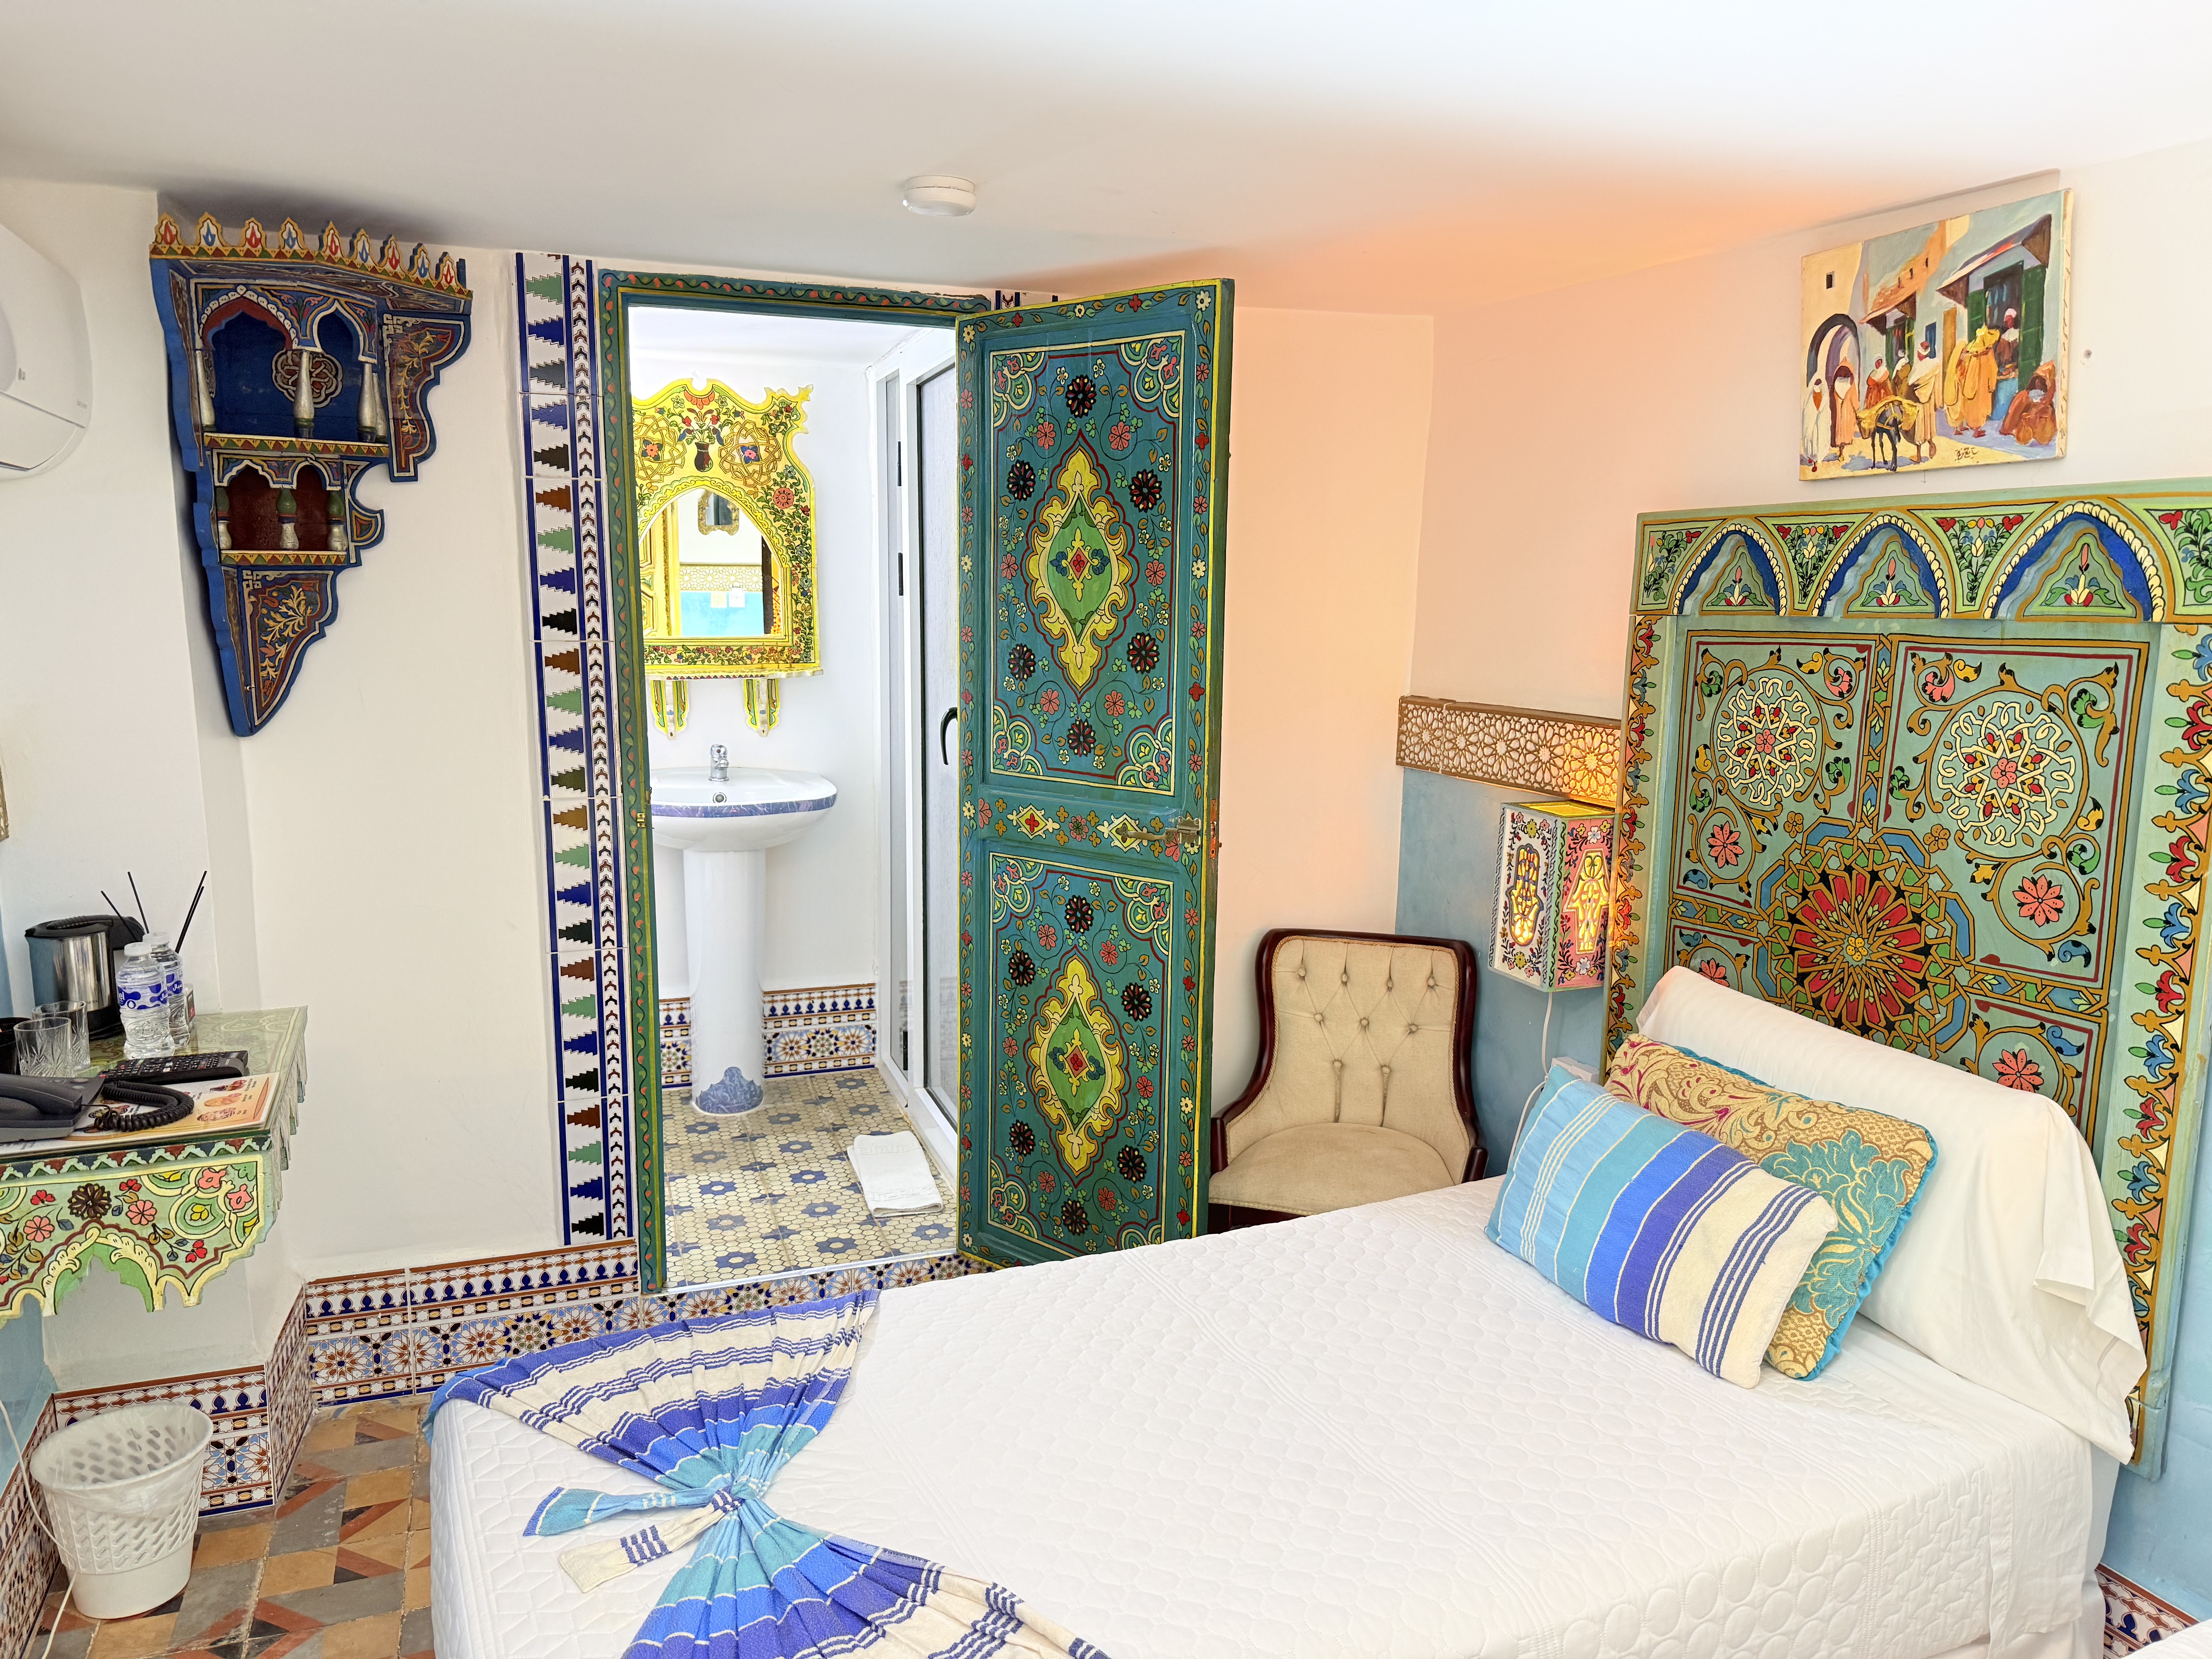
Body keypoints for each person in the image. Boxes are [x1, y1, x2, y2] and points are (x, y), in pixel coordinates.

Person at [1948, 325, 2000, 438]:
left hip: (1971, 385)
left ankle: (1968, 428)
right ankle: (1976, 432)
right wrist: (1992, 384)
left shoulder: (1972, 354)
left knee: (1971, 406)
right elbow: (1993, 369)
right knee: (1980, 407)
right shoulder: (1988, 352)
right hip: (1983, 385)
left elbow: (1964, 368)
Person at [1999, 360, 2059, 445]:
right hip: (2033, 402)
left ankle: (2033, 432)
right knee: (2023, 398)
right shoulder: (2024, 396)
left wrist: (2046, 400)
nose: (2040, 384)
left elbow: (2050, 392)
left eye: (2042, 382)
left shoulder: (2049, 402)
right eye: (2039, 381)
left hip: (2043, 407)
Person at [1908, 338, 1941, 462]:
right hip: (1930, 401)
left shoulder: (1919, 368)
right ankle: (1931, 443)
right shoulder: (1934, 365)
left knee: (1920, 427)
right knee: (1928, 424)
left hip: (1920, 402)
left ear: (1920, 354)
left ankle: (1919, 456)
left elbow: (1911, 382)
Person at [1993, 306, 2022, 430]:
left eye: (2009, 319)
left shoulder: (2019, 334)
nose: (2007, 322)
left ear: (2014, 320)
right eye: (2006, 320)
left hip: (2014, 368)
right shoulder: (2005, 335)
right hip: (2004, 368)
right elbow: (1999, 353)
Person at [1830, 361, 1860, 460]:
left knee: (1839, 432)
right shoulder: (1850, 383)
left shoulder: (1836, 383)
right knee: (1844, 432)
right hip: (1847, 413)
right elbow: (1855, 401)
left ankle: (1841, 451)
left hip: (1839, 413)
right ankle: (1841, 451)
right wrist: (1857, 409)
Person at [1800, 374, 1827, 468]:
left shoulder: (1824, 395)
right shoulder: (1811, 396)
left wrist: (1819, 412)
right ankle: (1810, 456)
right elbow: (1808, 411)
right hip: (1811, 422)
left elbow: (1823, 409)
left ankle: (1815, 460)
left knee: (1817, 439)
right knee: (1810, 438)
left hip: (1818, 422)